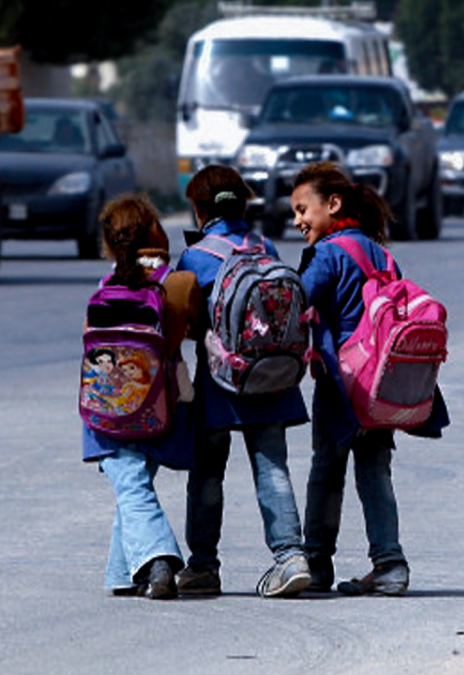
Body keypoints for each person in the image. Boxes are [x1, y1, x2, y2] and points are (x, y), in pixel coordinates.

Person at [290, 161, 449, 596]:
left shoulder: (327, 254)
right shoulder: (380, 253)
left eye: (303, 209)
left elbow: (297, 300)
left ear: (333, 204)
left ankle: (317, 563)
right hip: (382, 383)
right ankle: (390, 564)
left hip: (342, 383)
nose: (298, 220)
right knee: (375, 472)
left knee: (326, 470)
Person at [175, 165, 313, 599]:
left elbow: (186, 322)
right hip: (271, 375)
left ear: (199, 210)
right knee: (272, 466)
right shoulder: (265, 246)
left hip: (221, 382)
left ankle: (203, 566)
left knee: (207, 473)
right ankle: (291, 557)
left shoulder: (196, 257)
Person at [81, 193, 202, 599]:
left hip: (107, 407)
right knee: (134, 486)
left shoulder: (103, 287)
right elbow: (195, 332)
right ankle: (123, 574)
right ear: (155, 232)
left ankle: (159, 559)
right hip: (162, 404)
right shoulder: (178, 283)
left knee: (131, 487)